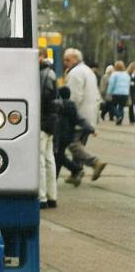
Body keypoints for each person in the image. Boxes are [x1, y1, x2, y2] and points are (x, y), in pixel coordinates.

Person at [54, 86, 99, 186]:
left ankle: (76, 169)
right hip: (68, 136)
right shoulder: (72, 106)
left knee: (58, 156)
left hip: (58, 135)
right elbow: (80, 119)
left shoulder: (58, 105)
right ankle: (56, 178)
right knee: (58, 156)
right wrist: (91, 129)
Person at [38, 48, 60, 209]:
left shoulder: (43, 74)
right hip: (50, 121)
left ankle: (42, 196)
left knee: (40, 159)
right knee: (49, 158)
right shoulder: (50, 73)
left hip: (43, 120)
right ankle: (52, 196)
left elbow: (43, 99)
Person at [64, 48, 103, 133]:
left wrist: (69, 115)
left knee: (74, 144)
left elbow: (74, 97)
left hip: (79, 118)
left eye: (67, 60)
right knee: (80, 143)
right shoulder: (88, 70)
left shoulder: (75, 73)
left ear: (75, 59)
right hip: (88, 117)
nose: (65, 63)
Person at [106, 60, 130, 125]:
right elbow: (128, 84)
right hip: (125, 93)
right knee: (121, 107)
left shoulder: (114, 74)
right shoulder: (126, 74)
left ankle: (118, 115)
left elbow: (111, 84)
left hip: (116, 92)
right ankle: (119, 121)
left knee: (112, 105)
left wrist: (109, 92)